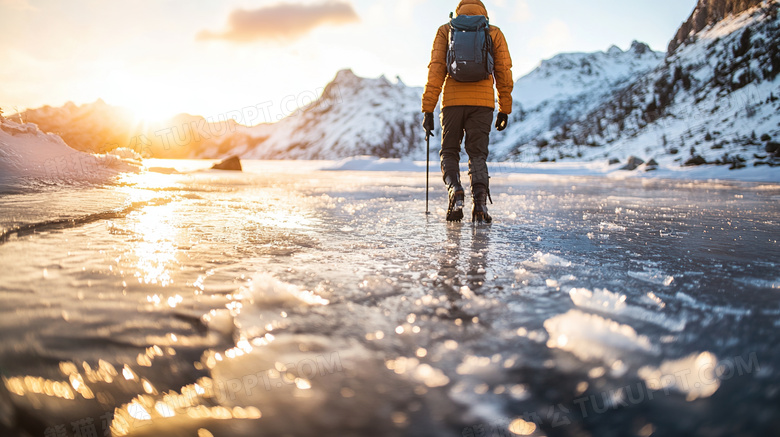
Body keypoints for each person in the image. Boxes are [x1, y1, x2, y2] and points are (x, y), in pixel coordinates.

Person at [421, 0, 513, 223]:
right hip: (482, 104)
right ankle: (480, 206)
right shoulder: (493, 32)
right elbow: (503, 71)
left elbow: (436, 70)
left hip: (452, 102)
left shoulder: (446, 30)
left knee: (450, 151)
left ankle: (455, 191)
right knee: (477, 154)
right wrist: (504, 108)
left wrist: (428, 109)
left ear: (459, 10)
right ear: (483, 12)